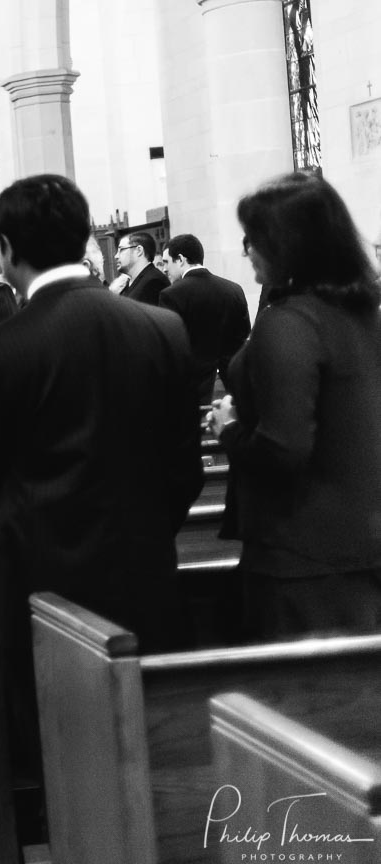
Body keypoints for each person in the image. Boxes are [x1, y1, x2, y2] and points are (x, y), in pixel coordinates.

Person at [0, 173, 203, 786]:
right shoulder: (161, 327)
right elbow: (185, 470)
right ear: (86, 236)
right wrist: (141, 533)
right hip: (144, 574)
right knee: (142, 758)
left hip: (41, 590)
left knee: (59, 764)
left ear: (4, 248)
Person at [209, 172, 381, 641]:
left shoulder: (289, 324)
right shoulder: (363, 312)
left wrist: (229, 431)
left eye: (253, 238)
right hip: (360, 540)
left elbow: (284, 451)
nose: (247, 250)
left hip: (300, 554)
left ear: (288, 243)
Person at [158, 233, 252, 402]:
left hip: (194, 389)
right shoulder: (234, 289)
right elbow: (244, 333)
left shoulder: (171, 294)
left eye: (167, 262)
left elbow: (170, 348)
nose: (165, 269)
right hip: (233, 384)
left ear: (180, 259)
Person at [114, 231, 170, 304]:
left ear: (139, 251)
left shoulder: (154, 282)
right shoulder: (128, 283)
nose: (116, 256)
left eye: (121, 250)